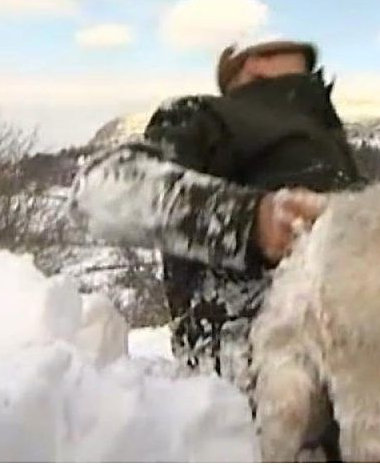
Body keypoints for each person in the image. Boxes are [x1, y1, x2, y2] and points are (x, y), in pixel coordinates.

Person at [69, 39, 364, 398]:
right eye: (276, 47)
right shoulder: (209, 117)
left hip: (367, 343)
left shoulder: (329, 139)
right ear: (251, 65)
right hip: (263, 356)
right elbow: (103, 189)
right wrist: (251, 221)